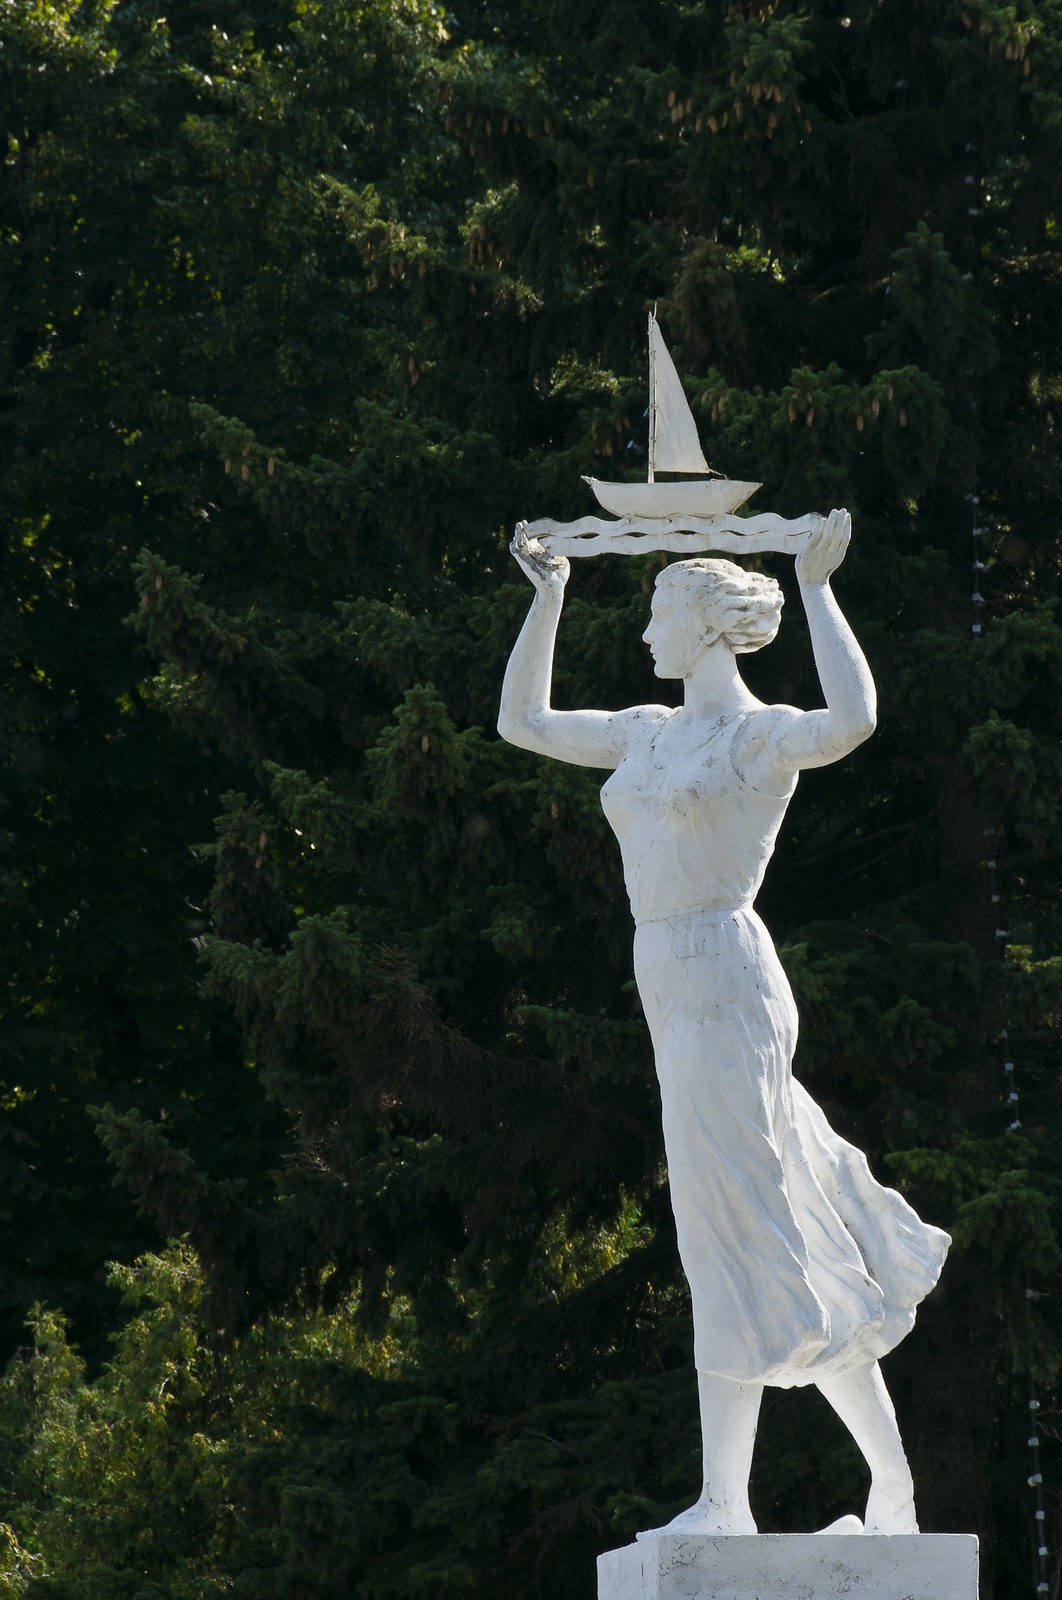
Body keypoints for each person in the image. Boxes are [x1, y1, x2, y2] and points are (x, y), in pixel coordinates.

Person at [498, 509, 949, 1537]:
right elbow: (523, 722)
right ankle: (891, 1490)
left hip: (726, 975)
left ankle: (723, 1502)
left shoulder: (759, 735)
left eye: (660, 611)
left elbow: (855, 721)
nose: (648, 633)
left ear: (707, 626)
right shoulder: (645, 732)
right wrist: (549, 596)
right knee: (777, 1227)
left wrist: (821, 590)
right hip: (669, 977)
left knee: (727, 1233)